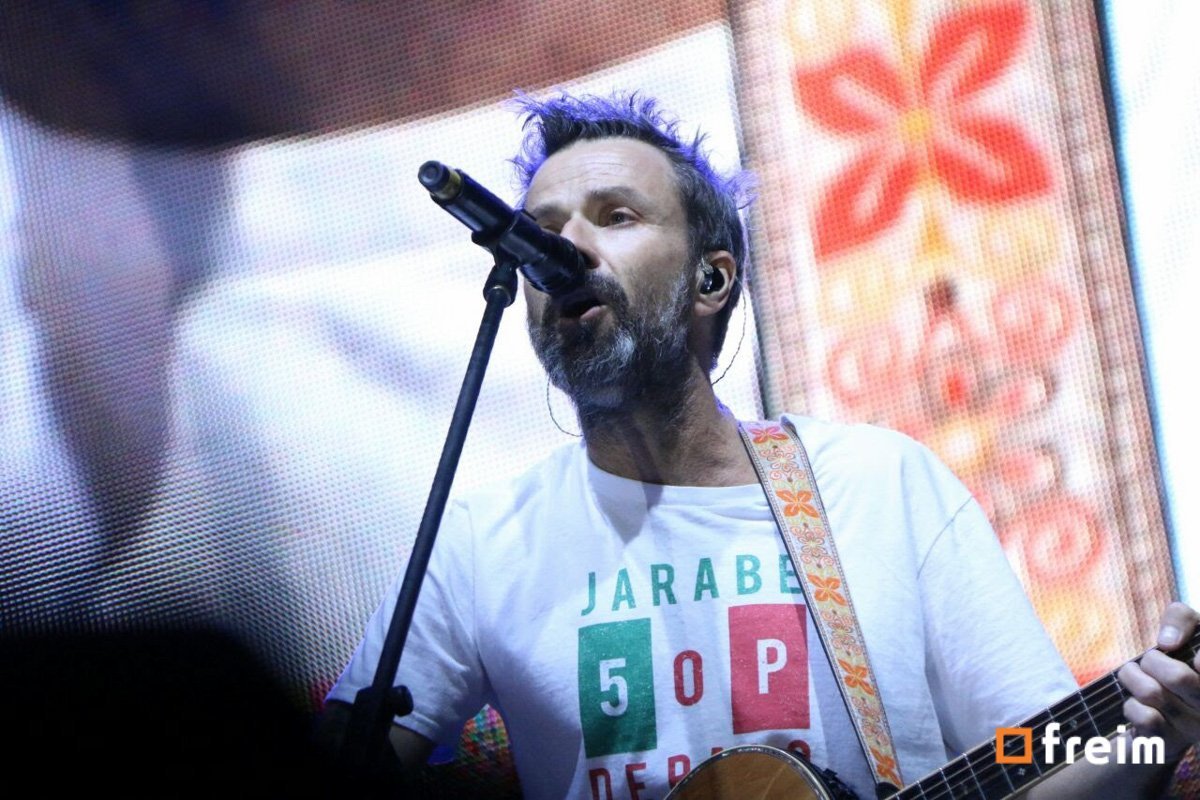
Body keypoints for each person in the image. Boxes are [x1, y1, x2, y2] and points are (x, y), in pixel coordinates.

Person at [322, 92, 1200, 799]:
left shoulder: (879, 486)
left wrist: (1155, 743)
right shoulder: (484, 544)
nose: (564, 247)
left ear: (712, 278)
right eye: (545, 226)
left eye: (614, 215)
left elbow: (1030, 759)